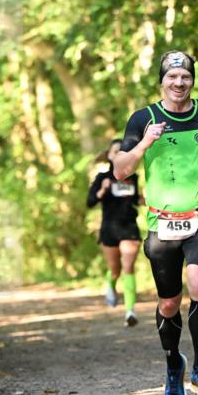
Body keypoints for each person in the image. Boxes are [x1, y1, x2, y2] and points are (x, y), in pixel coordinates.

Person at [114, 50, 198, 395]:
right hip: (161, 224)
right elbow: (121, 170)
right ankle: (173, 364)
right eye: (172, 77)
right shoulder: (143, 118)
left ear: (192, 80)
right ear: (162, 81)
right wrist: (146, 141)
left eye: (185, 77)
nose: (179, 83)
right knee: (169, 303)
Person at [87, 139, 142, 327]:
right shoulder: (102, 178)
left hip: (129, 227)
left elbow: (137, 199)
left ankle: (130, 312)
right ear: (110, 155)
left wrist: (145, 199)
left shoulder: (133, 178)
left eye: (123, 151)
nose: (120, 154)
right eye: (116, 151)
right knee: (115, 269)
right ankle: (110, 284)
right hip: (109, 228)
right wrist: (102, 191)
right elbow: (90, 202)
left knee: (128, 267)